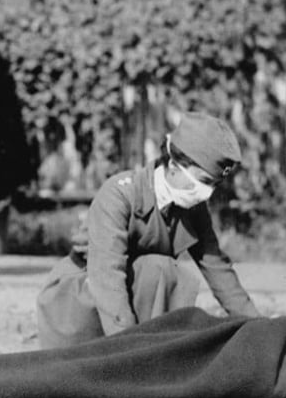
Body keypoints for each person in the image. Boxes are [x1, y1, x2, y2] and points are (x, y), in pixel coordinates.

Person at [36, 112, 260, 349]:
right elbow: (107, 277)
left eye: (214, 185)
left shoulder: (193, 208)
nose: (208, 192)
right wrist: (129, 350)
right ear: (174, 166)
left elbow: (218, 269)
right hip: (81, 297)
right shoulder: (120, 194)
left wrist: (258, 328)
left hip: (129, 296)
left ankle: (151, 353)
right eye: (203, 181)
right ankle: (139, 355)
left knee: (166, 271)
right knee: (159, 269)